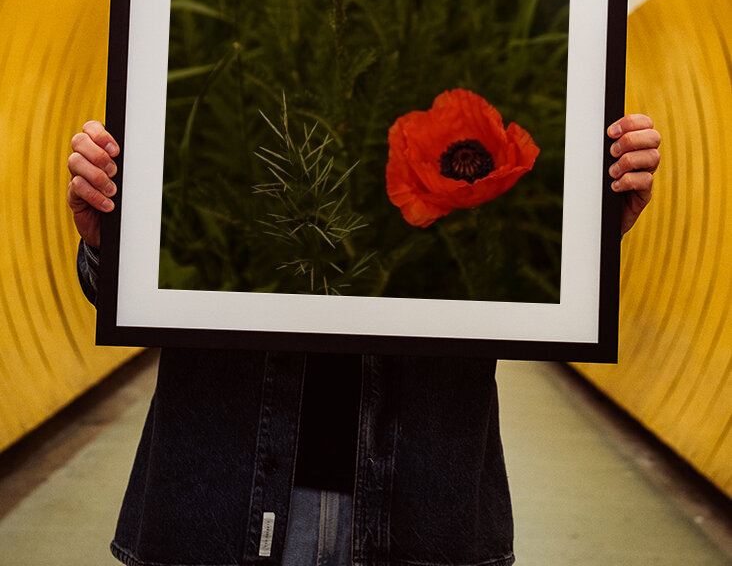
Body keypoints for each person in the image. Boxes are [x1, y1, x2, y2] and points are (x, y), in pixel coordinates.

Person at [68, 114, 661, 566]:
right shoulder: (226, 118)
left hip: (423, 506)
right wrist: (109, 243)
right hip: (220, 497)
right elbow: (141, 287)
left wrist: (588, 237)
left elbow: (512, 272)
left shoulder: (457, 98)